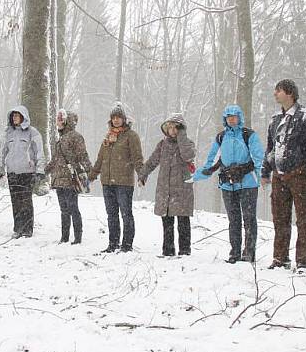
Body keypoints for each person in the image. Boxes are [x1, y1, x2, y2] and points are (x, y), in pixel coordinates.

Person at [260, 79, 306, 273]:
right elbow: (270, 148)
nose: (275, 94)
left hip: (299, 174)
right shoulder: (275, 119)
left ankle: (303, 261)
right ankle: (280, 258)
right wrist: (265, 171)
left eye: (278, 91)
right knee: (280, 218)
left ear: (289, 93)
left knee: (303, 218)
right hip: (279, 175)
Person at [194, 104, 264, 264]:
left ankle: (249, 254)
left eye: (234, 116)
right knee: (234, 220)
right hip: (227, 184)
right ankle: (235, 253)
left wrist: (244, 169)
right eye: (229, 117)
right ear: (225, 119)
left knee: (249, 218)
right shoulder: (221, 137)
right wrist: (200, 174)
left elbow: (258, 158)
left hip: (248, 183)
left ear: (240, 118)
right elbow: (213, 159)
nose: (232, 119)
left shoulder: (249, 135)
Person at [89, 103, 144, 253]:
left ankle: (127, 245)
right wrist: (92, 176)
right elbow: (101, 159)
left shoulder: (131, 136)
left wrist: (142, 174)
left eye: (119, 117)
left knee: (126, 214)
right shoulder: (108, 136)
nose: (116, 120)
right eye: (113, 118)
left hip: (124, 182)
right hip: (107, 182)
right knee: (111, 215)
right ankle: (113, 244)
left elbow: (137, 158)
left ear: (124, 119)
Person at [139, 113, 196, 257]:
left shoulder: (188, 143)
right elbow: (152, 161)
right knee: (167, 223)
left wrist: (181, 137)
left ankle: (184, 251)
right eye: (169, 127)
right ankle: (168, 251)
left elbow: (188, 156)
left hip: (182, 191)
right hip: (165, 190)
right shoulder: (162, 145)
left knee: (183, 222)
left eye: (175, 127)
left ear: (181, 129)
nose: (172, 130)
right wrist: (143, 174)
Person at [0, 105, 46, 239]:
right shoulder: (8, 133)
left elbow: (39, 151)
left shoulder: (32, 132)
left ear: (23, 116)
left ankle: (27, 229)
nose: (15, 118)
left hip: (27, 171)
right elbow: (2, 152)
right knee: (15, 201)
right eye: (13, 116)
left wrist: (40, 170)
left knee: (26, 201)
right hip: (12, 171)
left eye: (17, 115)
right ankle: (18, 228)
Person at [45, 109, 92, 244]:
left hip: (71, 179)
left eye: (61, 120)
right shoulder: (60, 138)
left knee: (73, 208)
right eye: (57, 120)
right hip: (59, 179)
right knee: (64, 210)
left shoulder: (75, 136)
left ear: (67, 121)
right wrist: (44, 172)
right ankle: (64, 237)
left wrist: (90, 171)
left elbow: (83, 155)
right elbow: (55, 160)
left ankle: (78, 238)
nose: (58, 122)